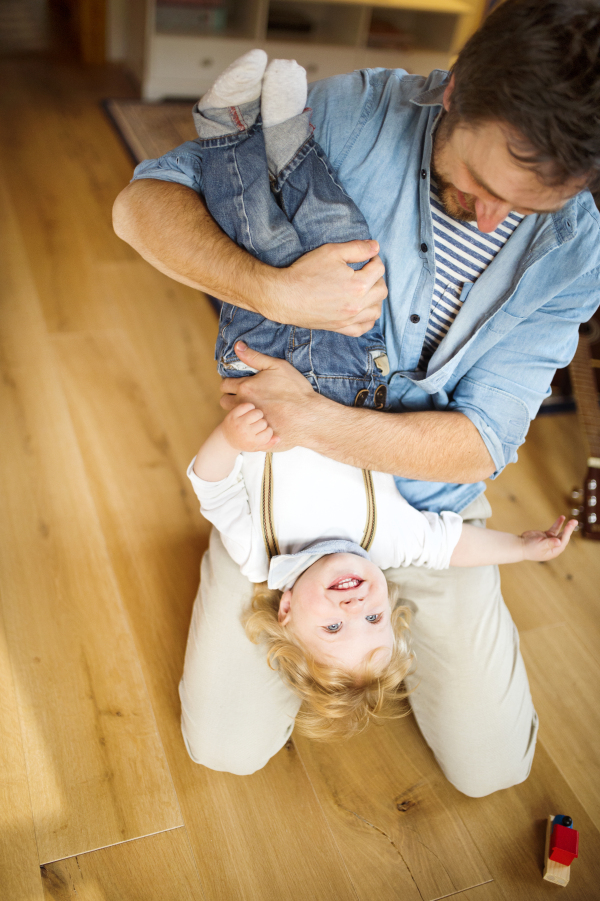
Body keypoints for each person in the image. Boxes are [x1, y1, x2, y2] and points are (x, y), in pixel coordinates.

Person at [113, 0, 600, 792]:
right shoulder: (354, 112)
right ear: (456, 94)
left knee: (492, 771)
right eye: (480, 182)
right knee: (226, 750)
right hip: (289, 510)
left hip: (428, 499)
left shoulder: (575, 245)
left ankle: (368, 622)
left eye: (529, 205)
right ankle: (261, 563)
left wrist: (314, 420)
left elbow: (480, 441)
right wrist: (273, 291)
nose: (491, 218)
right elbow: (137, 210)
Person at [190, 395, 575, 739]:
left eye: (334, 627)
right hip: (361, 377)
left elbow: (213, 488)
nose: (356, 609)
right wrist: (521, 549)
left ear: (286, 609)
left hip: (279, 373)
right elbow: (449, 543)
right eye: (375, 619)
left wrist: (229, 439)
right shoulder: (386, 542)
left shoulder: (259, 553)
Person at [190, 50, 389, 410]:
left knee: (264, 244)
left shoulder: (259, 455)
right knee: (344, 236)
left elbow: (206, 469)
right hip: (350, 360)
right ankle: (290, 143)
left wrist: (237, 436)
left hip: (261, 360)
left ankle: (226, 129)